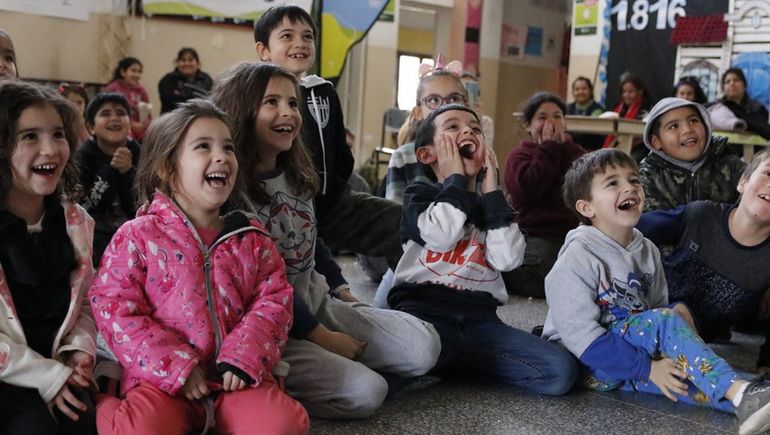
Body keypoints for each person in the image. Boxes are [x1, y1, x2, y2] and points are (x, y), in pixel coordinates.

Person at [210, 61, 440, 419]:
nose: (288, 112)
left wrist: (340, 288)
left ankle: (336, 364)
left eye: (292, 103)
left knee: (425, 347)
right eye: (271, 102)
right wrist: (322, 337)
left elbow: (309, 238)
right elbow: (267, 287)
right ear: (242, 111)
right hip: (269, 329)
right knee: (368, 392)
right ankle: (271, 380)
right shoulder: (231, 192)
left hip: (320, 305)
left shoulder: (295, 172)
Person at [89, 99, 309, 435]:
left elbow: (275, 300)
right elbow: (113, 307)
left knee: (284, 425)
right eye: (203, 146)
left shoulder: (251, 238)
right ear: (166, 167)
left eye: (228, 147)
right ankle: (107, 401)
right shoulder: (138, 235)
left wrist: (244, 355)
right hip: (160, 382)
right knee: (139, 430)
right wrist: (174, 365)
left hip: (234, 379)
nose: (221, 156)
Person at [543, 148, 770, 435]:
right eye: (613, 183)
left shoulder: (646, 249)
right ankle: (742, 392)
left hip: (631, 359)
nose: (629, 187)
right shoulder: (577, 255)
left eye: (634, 180)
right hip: (585, 361)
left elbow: (655, 307)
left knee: (687, 378)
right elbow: (580, 336)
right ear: (587, 207)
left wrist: (659, 363)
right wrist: (647, 367)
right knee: (666, 322)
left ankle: (749, 400)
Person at [388, 103, 578, 396]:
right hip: (424, 316)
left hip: (481, 323)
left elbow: (508, 259)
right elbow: (440, 235)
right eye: (452, 126)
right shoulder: (420, 195)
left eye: (475, 129)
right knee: (379, 381)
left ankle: (457, 362)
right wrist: (456, 181)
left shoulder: (489, 206)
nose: (467, 131)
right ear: (427, 154)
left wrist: (492, 192)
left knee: (559, 372)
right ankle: (447, 359)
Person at [254, 5, 403, 270]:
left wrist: (334, 186)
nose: (300, 43)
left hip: (331, 204)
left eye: (307, 36)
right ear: (263, 50)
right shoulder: (254, 96)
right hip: (280, 210)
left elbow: (340, 152)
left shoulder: (323, 91)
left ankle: (409, 291)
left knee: (400, 220)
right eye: (287, 36)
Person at [0, 80, 97, 435]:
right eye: (29, 136)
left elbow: (86, 301)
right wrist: (47, 376)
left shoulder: (76, 222)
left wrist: (79, 349)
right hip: (11, 375)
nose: (51, 149)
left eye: (58, 134)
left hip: (57, 365)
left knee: (86, 421)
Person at [637, 150, 770, 371]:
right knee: (677, 313)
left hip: (699, 338)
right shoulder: (701, 215)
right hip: (651, 310)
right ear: (742, 183)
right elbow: (632, 228)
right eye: (767, 173)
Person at [503, 92, 586, 298]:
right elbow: (529, 191)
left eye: (557, 116)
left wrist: (561, 147)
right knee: (540, 275)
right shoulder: (519, 156)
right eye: (542, 117)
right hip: (538, 235)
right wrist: (549, 147)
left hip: (574, 235)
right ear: (528, 125)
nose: (551, 123)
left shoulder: (575, 153)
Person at [639, 97, 745, 211]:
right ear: (656, 142)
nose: (687, 130)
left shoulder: (730, 164)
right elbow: (653, 221)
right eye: (673, 126)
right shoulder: (649, 175)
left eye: (693, 121)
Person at [386, 57, 467, 203]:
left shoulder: (474, 153)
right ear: (418, 113)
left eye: (454, 99)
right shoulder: (403, 157)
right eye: (434, 100)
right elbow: (394, 215)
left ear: (466, 106)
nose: (444, 107)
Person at [75, 92, 139, 265]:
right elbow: (85, 208)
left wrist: (127, 172)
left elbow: (142, 209)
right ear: (91, 127)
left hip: (137, 241)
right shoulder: (81, 158)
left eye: (121, 113)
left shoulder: (141, 153)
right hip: (93, 243)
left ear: (130, 124)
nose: (114, 118)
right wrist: (110, 170)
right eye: (105, 114)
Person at [104, 57, 151, 142]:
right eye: (133, 70)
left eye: (139, 72)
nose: (137, 75)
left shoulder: (141, 91)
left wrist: (144, 124)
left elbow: (147, 113)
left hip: (141, 131)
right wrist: (131, 125)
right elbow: (109, 113)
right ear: (122, 72)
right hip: (119, 128)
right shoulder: (113, 89)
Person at [602, 71, 651, 153]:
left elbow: (643, 135)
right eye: (624, 92)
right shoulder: (618, 108)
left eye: (630, 92)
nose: (626, 95)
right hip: (617, 148)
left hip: (640, 149)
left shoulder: (647, 109)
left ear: (640, 91)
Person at [715, 67, 770, 140]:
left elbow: (763, 128)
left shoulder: (757, 108)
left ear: (744, 85)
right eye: (727, 81)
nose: (732, 83)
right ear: (723, 88)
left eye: (736, 80)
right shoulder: (716, 108)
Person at [158, 47, 214, 114]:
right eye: (183, 60)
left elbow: (212, 103)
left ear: (198, 63)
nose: (186, 63)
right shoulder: (167, 81)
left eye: (190, 60)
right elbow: (173, 105)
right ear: (177, 63)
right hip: (174, 121)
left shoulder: (207, 80)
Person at [567, 76, 605, 151]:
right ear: (573, 92)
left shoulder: (597, 109)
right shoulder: (568, 108)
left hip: (592, 150)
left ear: (590, 91)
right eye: (577, 89)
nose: (580, 92)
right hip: (570, 149)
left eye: (584, 89)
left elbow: (590, 129)